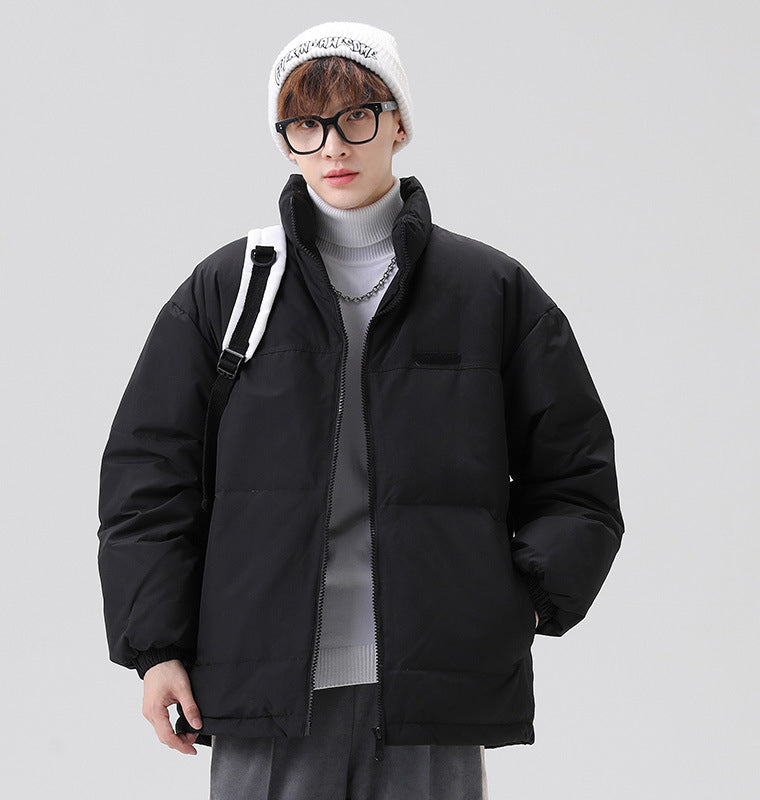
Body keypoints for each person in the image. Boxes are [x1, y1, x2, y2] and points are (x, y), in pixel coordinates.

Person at [96, 20, 625, 800]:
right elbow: (147, 480)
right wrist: (156, 649)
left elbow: (577, 473)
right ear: (286, 142)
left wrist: (516, 604)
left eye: (356, 118)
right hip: (263, 683)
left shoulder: (489, 291)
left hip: (431, 686)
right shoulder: (231, 289)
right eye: (305, 125)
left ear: (399, 125)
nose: (333, 146)